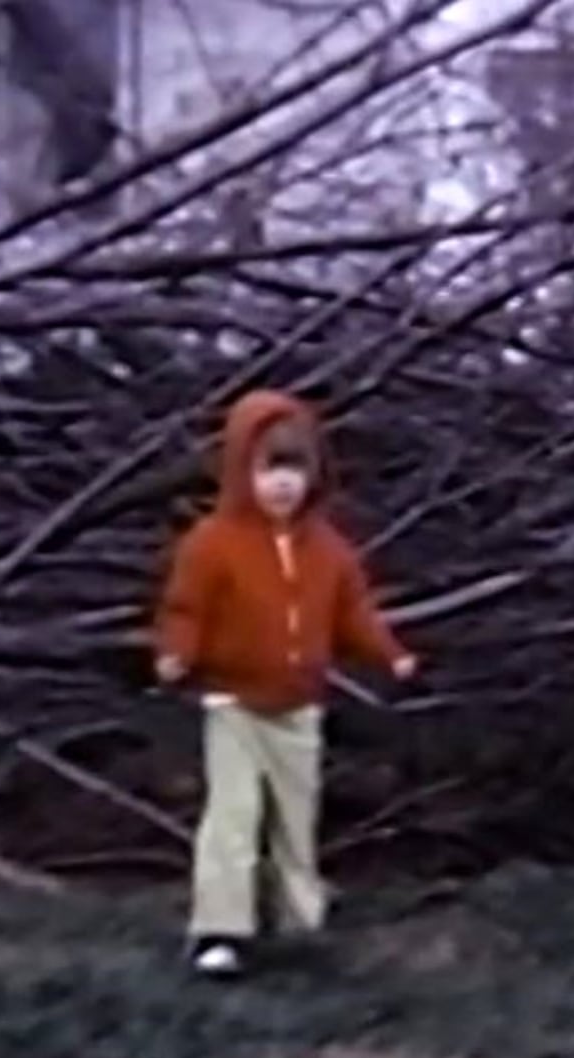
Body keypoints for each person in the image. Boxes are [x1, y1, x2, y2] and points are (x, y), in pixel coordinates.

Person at [154, 388, 416, 978]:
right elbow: (185, 608)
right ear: (241, 470)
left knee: (296, 815)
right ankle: (220, 930)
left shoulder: (329, 551)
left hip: (300, 706)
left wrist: (389, 654)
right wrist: (177, 654)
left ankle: (298, 918)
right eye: (269, 469)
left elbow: (355, 613)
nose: (282, 485)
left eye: (295, 471)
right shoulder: (212, 543)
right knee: (233, 815)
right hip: (234, 704)